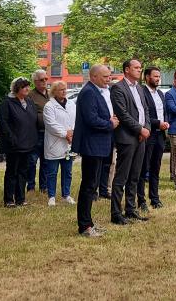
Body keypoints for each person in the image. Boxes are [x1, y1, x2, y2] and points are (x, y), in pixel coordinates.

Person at [73, 64, 119, 237]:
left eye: (109, 76)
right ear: (93, 77)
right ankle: (84, 226)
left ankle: (89, 223)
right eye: (105, 76)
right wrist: (110, 124)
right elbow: (91, 120)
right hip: (92, 145)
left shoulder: (96, 91)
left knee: (92, 186)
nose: (109, 79)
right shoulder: (88, 93)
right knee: (89, 186)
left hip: (99, 145)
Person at [109, 59, 152, 225]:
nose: (139, 70)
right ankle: (116, 213)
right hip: (127, 137)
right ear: (127, 70)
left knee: (135, 176)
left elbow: (145, 110)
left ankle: (131, 209)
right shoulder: (118, 88)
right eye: (136, 68)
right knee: (122, 176)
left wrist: (146, 128)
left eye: (140, 68)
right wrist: (140, 129)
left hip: (141, 137)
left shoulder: (140, 88)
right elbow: (122, 113)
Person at [0, 77, 39, 208]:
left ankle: (21, 198)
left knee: (23, 172)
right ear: (16, 89)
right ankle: (9, 199)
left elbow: (33, 121)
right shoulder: (7, 103)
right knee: (12, 172)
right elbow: (2, 123)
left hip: (28, 143)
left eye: (28, 86)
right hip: (14, 145)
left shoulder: (29, 102)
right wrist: (12, 138)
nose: (27, 89)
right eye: (23, 87)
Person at [137, 66, 169, 211]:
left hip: (160, 135)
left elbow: (165, 112)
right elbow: (145, 115)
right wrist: (158, 123)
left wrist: (166, 122)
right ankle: (141, 200)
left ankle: (155, 199)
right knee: (144, 168)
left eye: (158, 76)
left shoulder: (161, 94)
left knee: (156, 167)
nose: (158, 79)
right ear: (147, 77)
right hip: (148, 134)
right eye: (155, 76)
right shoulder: (142, 92)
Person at [43, 80, 76, 206]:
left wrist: (72, 133)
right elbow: (51, 124)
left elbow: (76, 120)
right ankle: (51, 196)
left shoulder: (72, 104)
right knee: (52, 172)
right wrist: (65, 134)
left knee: (68, 171)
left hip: (70, 142)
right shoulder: (49, 106)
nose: (64, 91)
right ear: (54, 91)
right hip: (55, 143)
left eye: (65, 89)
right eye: (61, 89)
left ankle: (66, 194)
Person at [28, 69, 51, 194]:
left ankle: (44, 186)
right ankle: (30, 186)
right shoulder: (30, 95)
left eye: (46, 79)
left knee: (46, 161)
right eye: (42, 80)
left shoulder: (51, 94)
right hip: (36, 133)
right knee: (32, 161)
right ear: (35, 81)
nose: (45, 82)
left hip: (49, 133)